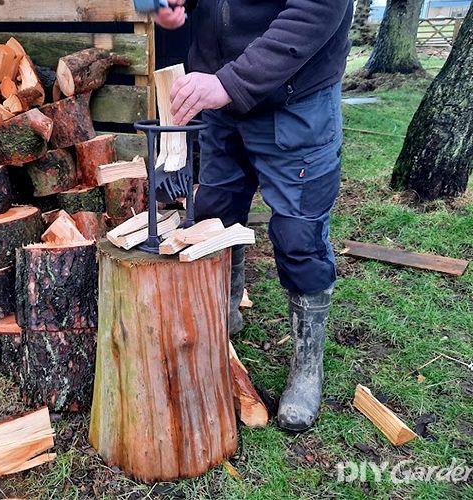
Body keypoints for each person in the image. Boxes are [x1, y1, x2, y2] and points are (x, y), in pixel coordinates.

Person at [155, 0, 353, 431]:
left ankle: (307, 365)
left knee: (299, 233)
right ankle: (221, 318)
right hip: (218, 94)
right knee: (213, 215)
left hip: (296, 95)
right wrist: (168, 8)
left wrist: (231, 82)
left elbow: (317, 9)